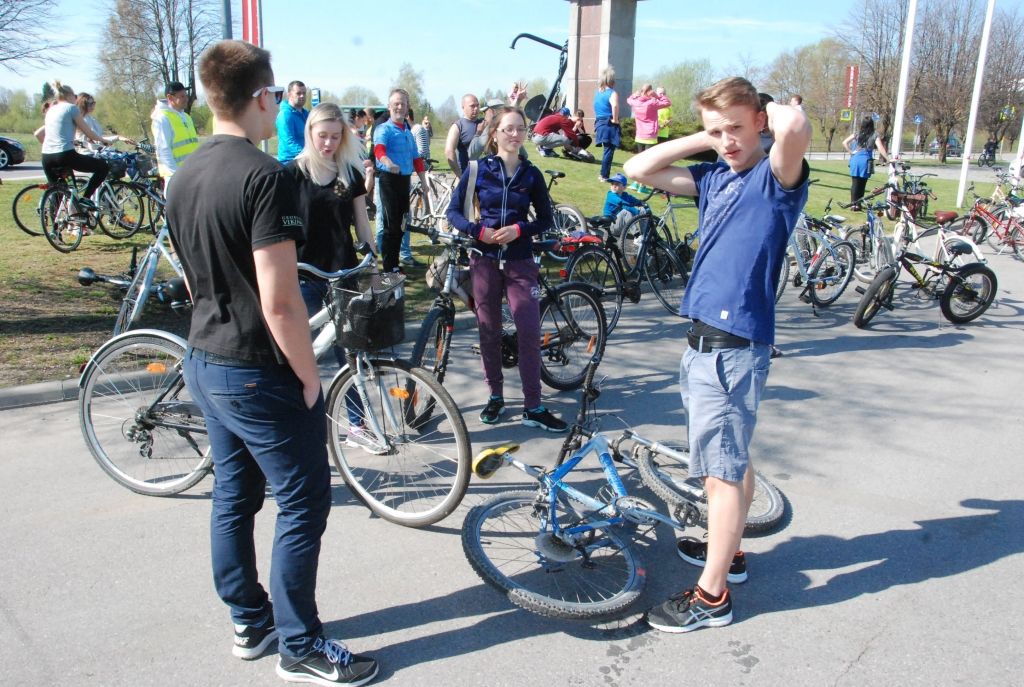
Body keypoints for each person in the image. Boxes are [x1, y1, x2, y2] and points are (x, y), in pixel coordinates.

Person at [165, 39, 379, 685]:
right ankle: (299, 642)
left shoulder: (182, 173)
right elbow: (281, 299)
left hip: (205, 355)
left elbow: (197, 274)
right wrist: (311, 379)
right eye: (276, 93)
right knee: (304, 500)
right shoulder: (267, 176)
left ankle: (248, 619)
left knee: (234, 494)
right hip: (257, 367)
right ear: (263, 97)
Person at [624, 76, 811, 633]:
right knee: (729, 458)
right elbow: (640, 169)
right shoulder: (714, 178)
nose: (727, 140)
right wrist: (707, 138)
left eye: (737, 128)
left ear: (760, 122)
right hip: (703, 344)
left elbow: (795, 127)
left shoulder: (775, 178)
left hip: (732, 347)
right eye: (715, 130)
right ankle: (729, 554)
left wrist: (764, 114)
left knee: (720, 476)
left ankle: (712, 597)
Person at [446, 106, 568, 433]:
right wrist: (477, 232)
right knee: (490, 330)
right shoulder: (477, 170)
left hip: (520, 260)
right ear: (495, 133)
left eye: (520, 129)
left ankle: (533, 405)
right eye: (508, 129)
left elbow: (545, 219)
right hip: (483, 259)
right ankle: (496, 395)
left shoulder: (531, 174)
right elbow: (453, 213)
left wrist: (520, 230)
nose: (515, 135)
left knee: (528, 329)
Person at [285, 103, 383, 453]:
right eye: (322, 136)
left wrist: (371, 257)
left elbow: (361, 222)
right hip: (303, 274)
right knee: (302, 356)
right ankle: (299, 426)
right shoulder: (292, 174)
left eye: (335, 136)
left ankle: (357, 423)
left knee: (349, 353)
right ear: (310, 134)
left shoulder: (349, 174)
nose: (328, 143)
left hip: (343, 272)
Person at [373, 88, 429, 271]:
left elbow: (416, 159)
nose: (399, 107)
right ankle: (389, 268)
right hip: (389, 180)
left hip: (404, 181)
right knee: (390, 226)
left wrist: (423, 181)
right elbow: (379, 150)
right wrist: (388, 162)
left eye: (403, 104)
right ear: (389, 106)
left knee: (402, 225)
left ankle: (395, 264)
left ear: (407, 108)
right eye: (396, 103)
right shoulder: (384, 129)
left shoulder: (407, 131)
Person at [40, 80, 110, 210]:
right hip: (64, 154)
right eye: (75, 96)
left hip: (46, 156)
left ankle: (54, 227)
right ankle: (86, 199)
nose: (76, 98)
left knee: (58, 189)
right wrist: (104, 140)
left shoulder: (51, 109)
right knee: (103, 167)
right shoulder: (71, 108)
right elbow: (87, 131)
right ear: (69, 95)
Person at [151, 81, 199, 182]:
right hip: (176, 178)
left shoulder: (186, 117)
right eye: (182, 96)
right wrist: (176, 176)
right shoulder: (162, 119)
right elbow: (163, 151)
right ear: (170, 98)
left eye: (186, 95)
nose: (186, 99)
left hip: (192, 174)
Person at [842, 116, 889, 208]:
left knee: (855, 183)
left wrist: (851, 152)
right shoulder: (874, 135)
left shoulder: (857, 134)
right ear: (872, 124)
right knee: (862, 184)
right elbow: (880, 148)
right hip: (865, 161)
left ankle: (853, 205)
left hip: (855, 159)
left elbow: (844, 142)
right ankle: (858, 204)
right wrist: (887, 158)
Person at [594, 65, 621, 182]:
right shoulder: (612, 93)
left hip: (600, 122)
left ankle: (603, 174)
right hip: (609, 123)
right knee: (609, 151)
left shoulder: (598, 93)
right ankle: (604, 175)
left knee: (607, 150)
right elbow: (614, 105)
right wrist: (615, 120)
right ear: (612, 80)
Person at [627, 83, 671, 152]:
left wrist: (634, 95)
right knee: (649, 159)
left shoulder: (635, 102)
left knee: (640, 158)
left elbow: (629, 100)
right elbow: (668, 103)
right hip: (650, 136)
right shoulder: (652, 103)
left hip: (639, 135)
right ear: (650, 92)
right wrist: (657, 96)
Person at [445, 94, 481, 177]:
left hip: (484, 174)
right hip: (466, 174)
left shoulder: (483, 123)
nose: (476, 108)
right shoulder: (458, 126)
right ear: (463, 107)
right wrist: (459, 175)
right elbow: (449, 151)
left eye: (477, 105)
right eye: (472, 106)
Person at [276, 80, 308, 163]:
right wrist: (308, 154)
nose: (302, 96)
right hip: (290, 162)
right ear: (289, 94)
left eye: (304, 93)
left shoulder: (307, 114)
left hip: (305, 160)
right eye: (298, 93)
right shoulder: (285, 115)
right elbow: (288, 141)